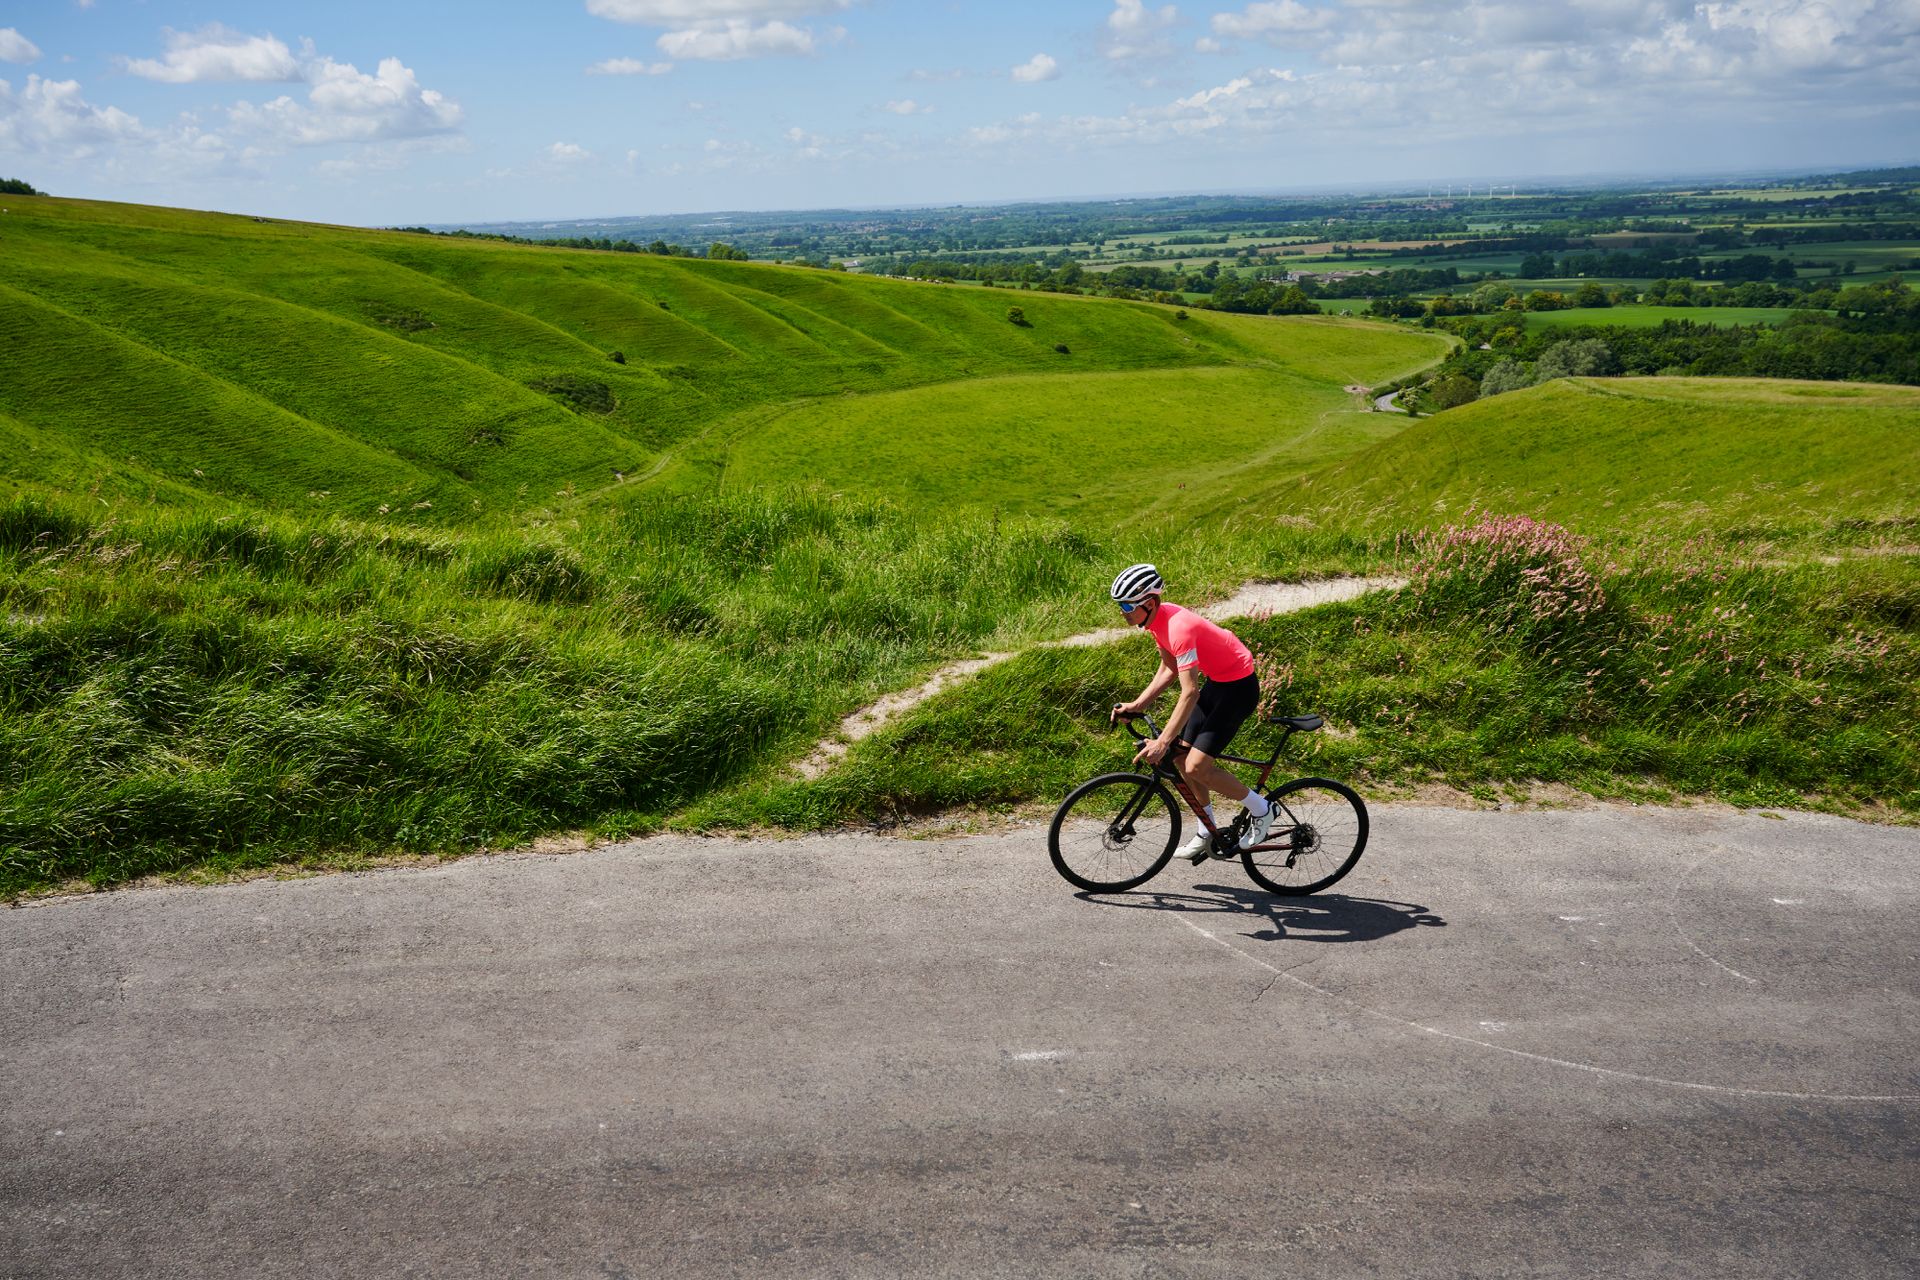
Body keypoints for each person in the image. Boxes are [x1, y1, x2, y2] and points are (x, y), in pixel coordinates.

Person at [1107, 563, 1272, 862]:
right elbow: (1168, 669)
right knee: (1181, 759)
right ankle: (1206, 830)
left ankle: (1262, 809)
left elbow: (1190, 692)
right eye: (1120, 605)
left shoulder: (1179, 628)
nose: (1123, 611)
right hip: (1219, 684)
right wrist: (1137, 705)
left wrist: (1161, 741)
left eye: (1128, 605)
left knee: (1196, 767)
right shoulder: (1157, 622)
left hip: (1238, 689)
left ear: (1150, 602)